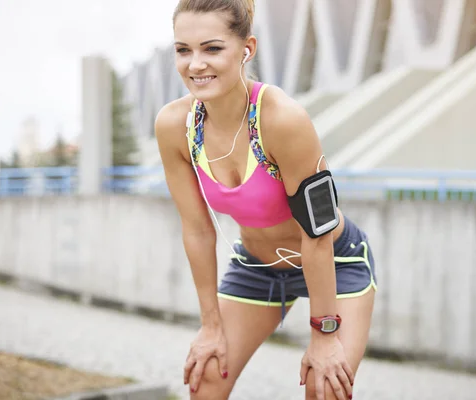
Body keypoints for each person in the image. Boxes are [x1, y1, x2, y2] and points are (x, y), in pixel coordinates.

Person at [155, 1, 377, 399]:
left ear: (247, 48)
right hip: (256, 267)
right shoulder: (175, 127)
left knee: (324, 387)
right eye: (183, 50)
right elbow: (197, 230)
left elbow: (318, 233)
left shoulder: (283, 119)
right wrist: (211, 326)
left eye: (212, 48)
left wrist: (324, 335)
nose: (195, 64)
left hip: (334, 260)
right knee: (205, 376)